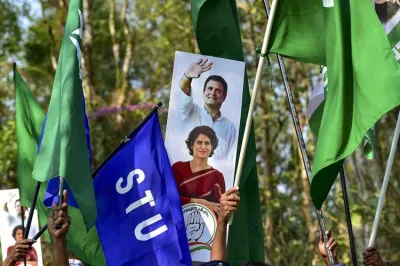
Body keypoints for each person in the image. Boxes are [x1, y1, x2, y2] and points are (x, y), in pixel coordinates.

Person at [177, 58, 236, 161]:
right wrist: (187, 77)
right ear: (203, 92)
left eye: (217, 91)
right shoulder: (189, 111)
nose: (213, 93)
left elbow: (229, 160)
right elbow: (183, 91)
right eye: (210, 88)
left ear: (224, 97)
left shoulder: (230, 127)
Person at [172, 126, 226, 214]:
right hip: (175, 222)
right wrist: (199, 202)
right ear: (191, 145)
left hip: (203, 226)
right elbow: (168, 197)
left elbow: (219, 210)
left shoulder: (217, 176)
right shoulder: (178, 168)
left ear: (212, 147)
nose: (203, 146)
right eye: (199, 142)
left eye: (207, 143)